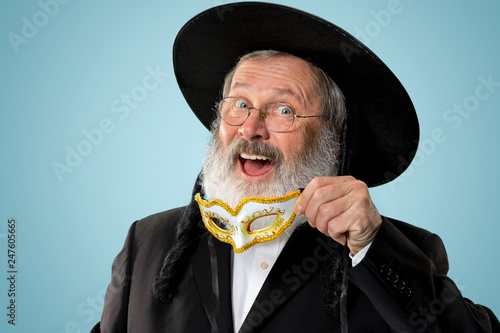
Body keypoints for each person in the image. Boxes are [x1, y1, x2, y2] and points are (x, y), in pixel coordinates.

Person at [92, 3, 500, 332]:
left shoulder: (388, 251)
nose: (251, 128)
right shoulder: (148, 243)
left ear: (333, 139)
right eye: (239, 104)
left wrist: (373, 246)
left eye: (284, 110)